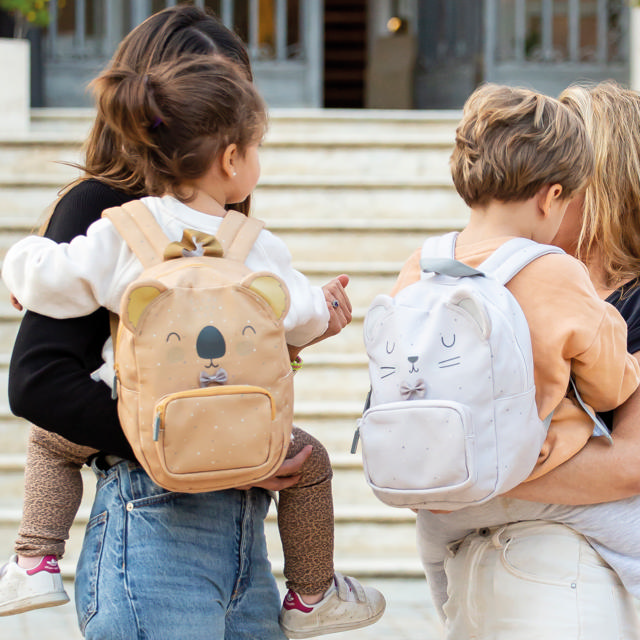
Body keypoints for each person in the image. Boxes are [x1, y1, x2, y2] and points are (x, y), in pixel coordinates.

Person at [0, 9, 384, 640]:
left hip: (240, 544)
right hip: (152, 531)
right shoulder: (106, 211)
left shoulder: (232, 234)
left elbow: (279, 320)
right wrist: (214, 451)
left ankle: (33, 562)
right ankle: (34, 556)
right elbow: (38, 383)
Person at [390, 83, 640, 639]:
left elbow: (630, 462)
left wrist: (458, 467)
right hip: (506, 545)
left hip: (515, 561)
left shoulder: (435, 262)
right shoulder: (552, 278)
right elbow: (610, 389)